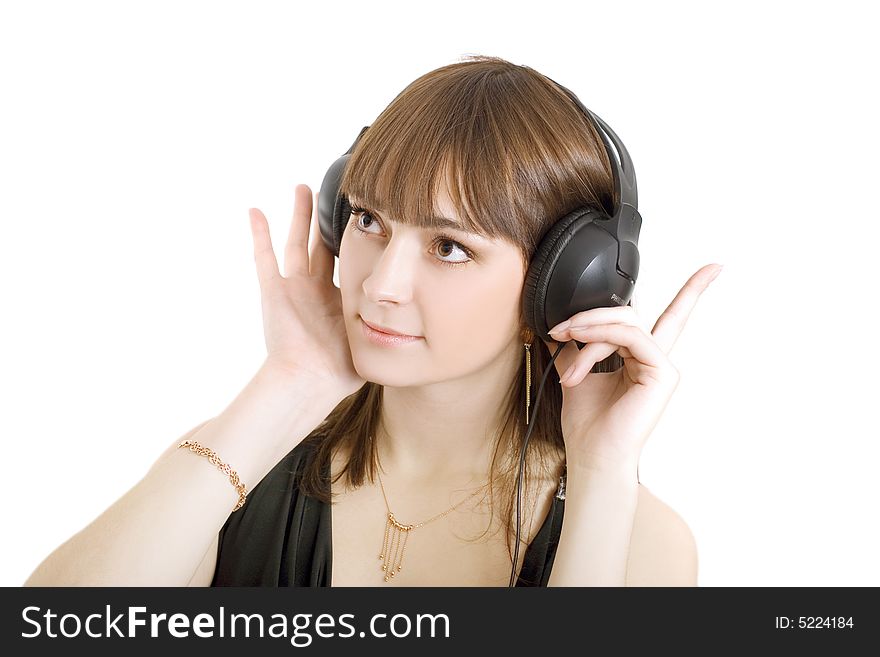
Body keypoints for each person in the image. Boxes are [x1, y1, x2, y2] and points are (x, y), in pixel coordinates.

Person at [24, 55, 718, 587]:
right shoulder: (234, 471)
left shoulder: (639, 538)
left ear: (561, 286)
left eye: (450, 247)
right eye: (369, 220)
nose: (380, 284)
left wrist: (601, 470)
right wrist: (287, 385)